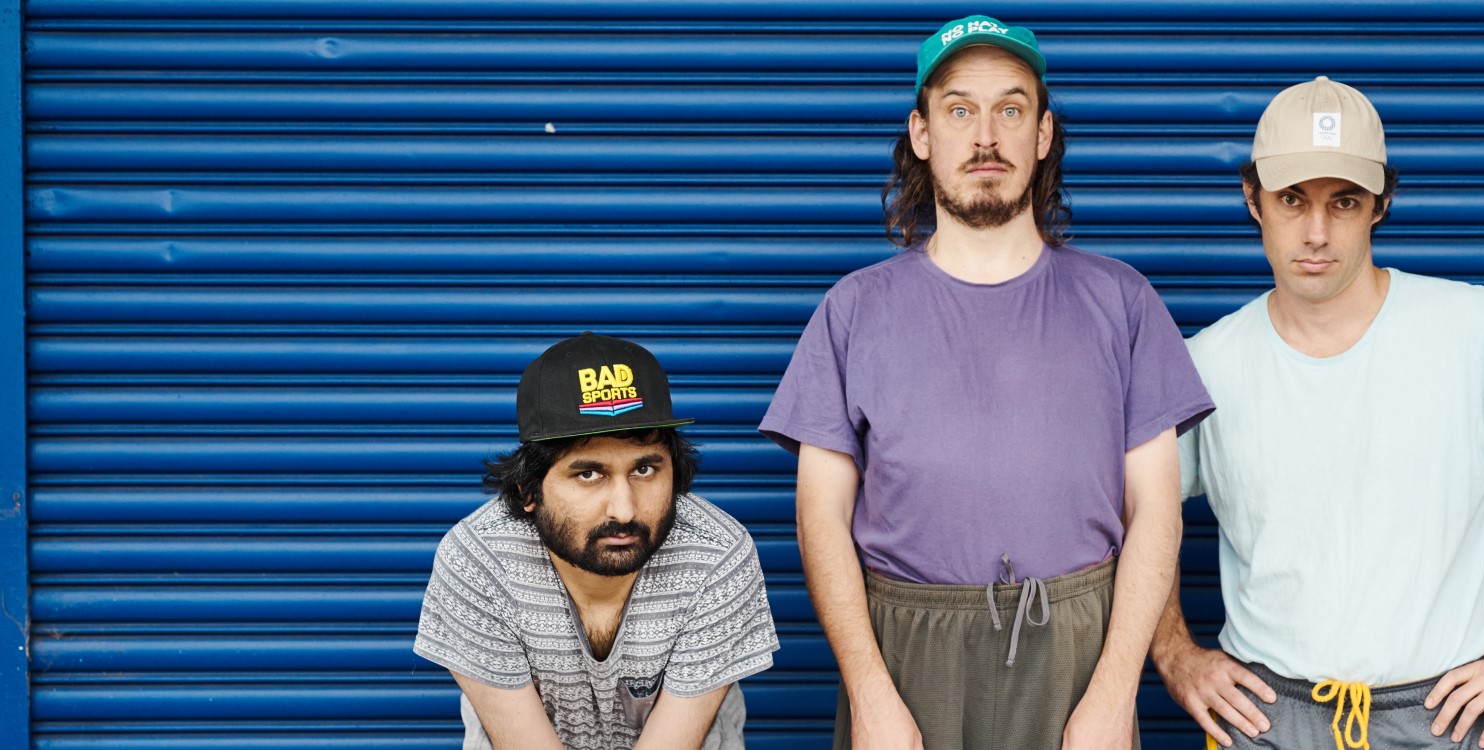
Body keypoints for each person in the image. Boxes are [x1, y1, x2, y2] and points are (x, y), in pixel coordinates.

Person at [758, 15, 1215, 750]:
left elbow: (1157, 513)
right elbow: (820, 520)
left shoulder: (1122, 302)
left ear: (1041, 134)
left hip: (1077, 648)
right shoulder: (854, 310)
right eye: (959, 109)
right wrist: (870, 693)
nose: (985, 136)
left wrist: (1113, 693)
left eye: (1010, 108)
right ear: (922, 132)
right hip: (908, 651)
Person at [1149, 76, 1484, 750]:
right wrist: (1175, 653)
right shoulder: (1207, 365)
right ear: (1251, 198)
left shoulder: (1476, 329)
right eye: (1293, 199)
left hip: (1441, 718)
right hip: (1266, 721)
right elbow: (1140, 513)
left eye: (1343, 202)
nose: (1316, 232)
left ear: (1380, 204)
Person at [415, 333, 779, 750]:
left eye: (645, 470)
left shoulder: (716, 555)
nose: (624, 510)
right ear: (527, 492)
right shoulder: (479, 561)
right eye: (589, 474)